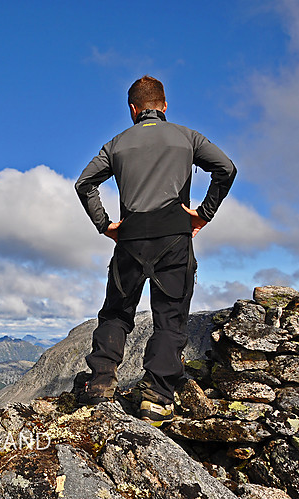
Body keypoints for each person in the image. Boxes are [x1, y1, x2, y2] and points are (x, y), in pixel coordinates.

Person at [74, 75, 236, 425]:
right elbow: (226, 169)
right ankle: (157, 397)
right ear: (164, 105)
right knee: (170, 317)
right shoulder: (188, 137)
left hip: (130, 239)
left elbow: (84, 183)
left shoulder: (115, 144)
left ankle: (101, 381)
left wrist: (105, 225)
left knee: (117, 312)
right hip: (175, 238)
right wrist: (203, 214)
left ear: (133, 109)